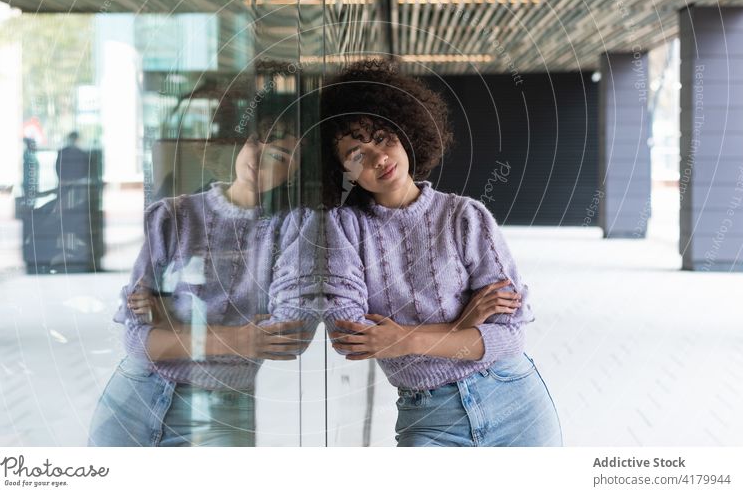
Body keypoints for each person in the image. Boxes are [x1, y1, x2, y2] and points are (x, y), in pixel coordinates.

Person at [314, 60, 562, 447]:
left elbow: (510, 334)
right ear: (339, 169)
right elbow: (352, 337)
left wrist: (406, 339)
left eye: (382, 136)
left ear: (405, 129)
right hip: (430, 417)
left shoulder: (465, 217)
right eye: (356, 152)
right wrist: (463, 324)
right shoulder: (344, 230)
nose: (378, 157)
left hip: (513, 399)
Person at [88, 110, 314, 447]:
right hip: (134, 393)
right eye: (256, 142)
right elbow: (139, 342)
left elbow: (288, 337)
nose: (257, 158)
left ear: (296, 172)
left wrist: (171, 322)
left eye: (278, 155)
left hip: (221, 408)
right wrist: (240, 339)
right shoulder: (173, 215)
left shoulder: (293, 232)